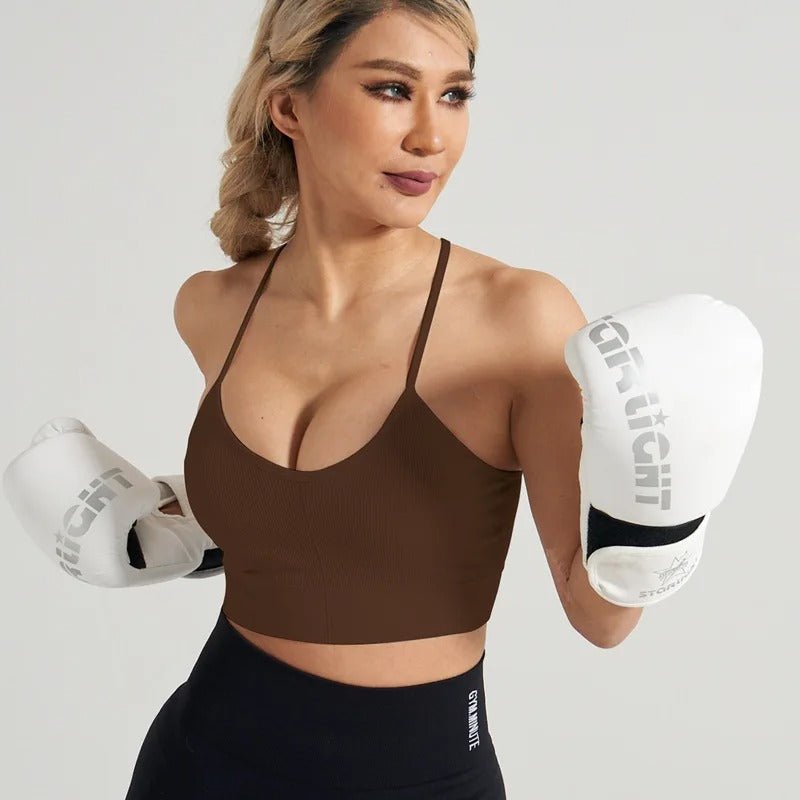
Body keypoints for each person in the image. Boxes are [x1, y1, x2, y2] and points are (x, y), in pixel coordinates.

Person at [2, 1, 763, 798]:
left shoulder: (518, 318)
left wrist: (658, 508)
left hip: (419, 779)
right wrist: (175, 523)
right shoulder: (214, 306)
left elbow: (601, 617)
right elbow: (327, 522)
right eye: (393, 89)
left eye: (455, 95)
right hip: (200, 762)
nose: (432, 136)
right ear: (289, 106)